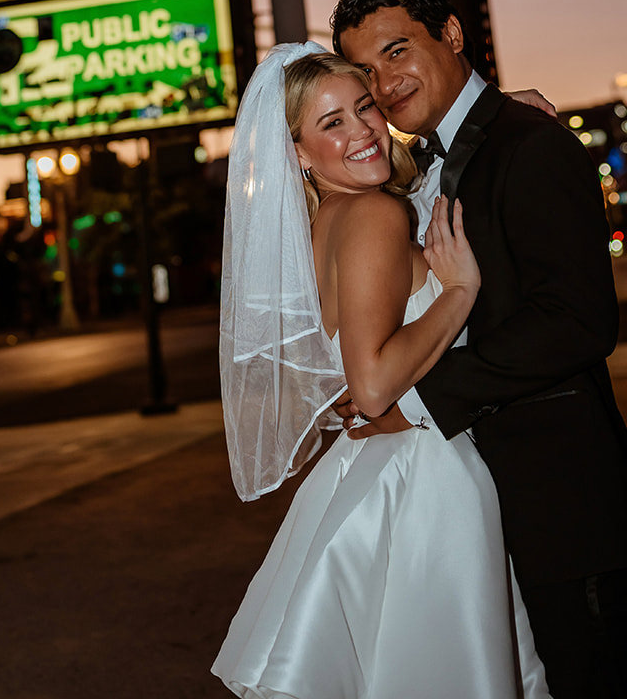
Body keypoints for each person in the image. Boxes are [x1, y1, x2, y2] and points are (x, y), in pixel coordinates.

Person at [332, 0, 627, 699]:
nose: (382, 85)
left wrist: (414, 402)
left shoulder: (528, 144)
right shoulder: (426, 167)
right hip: (478, 521)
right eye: (365, 70)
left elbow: (575, 320)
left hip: (561, 514)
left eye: (396, 51)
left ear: (450, 34)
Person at [213, 41, 550, 699]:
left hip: (365, 471)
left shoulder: (327, 223)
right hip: (422, 480)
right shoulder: (370, 214)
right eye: (331, 122)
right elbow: (369, 386)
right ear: (296, 152)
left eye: (363, 107)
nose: (362, 129)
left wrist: (502, 111)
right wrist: (457, 294)